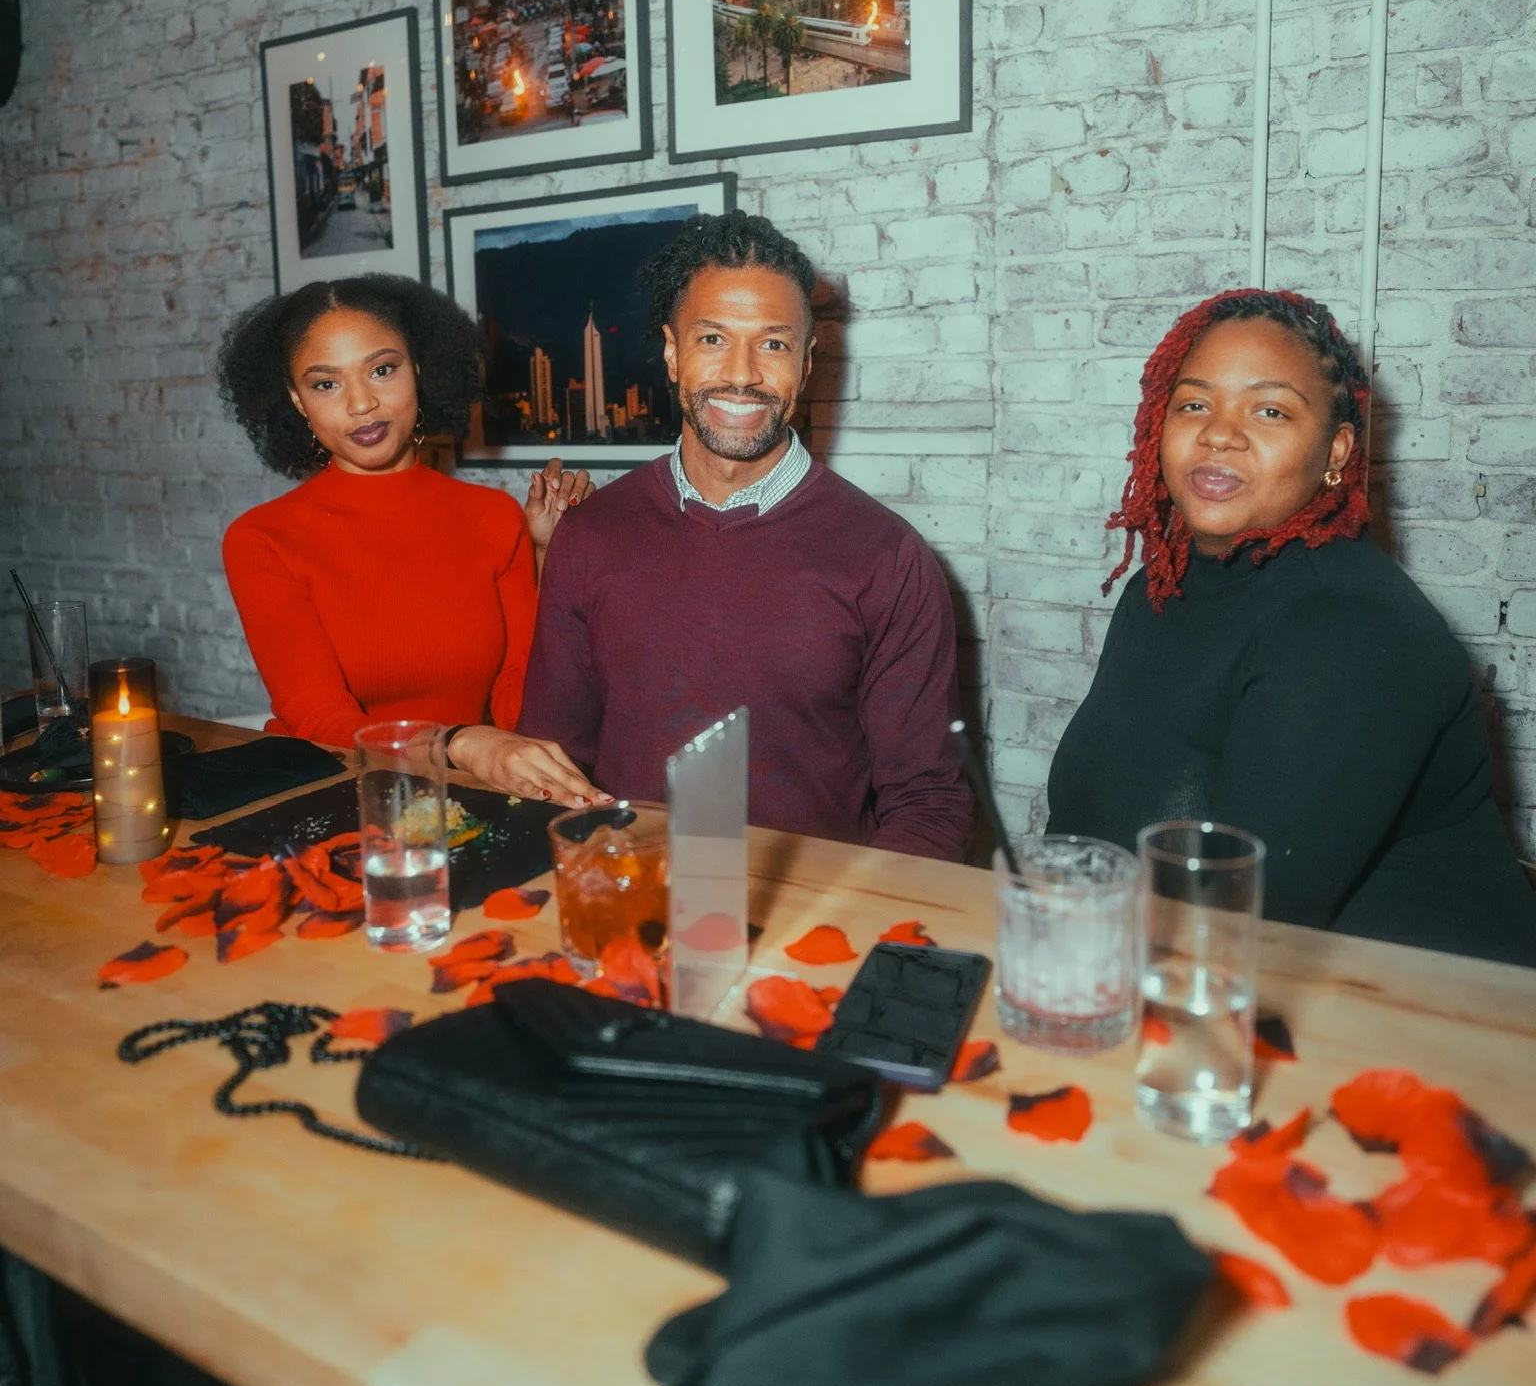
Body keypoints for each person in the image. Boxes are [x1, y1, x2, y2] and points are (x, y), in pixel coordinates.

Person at [1047, 288, 1534, 965]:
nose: (1220, 433)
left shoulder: (1352, 629)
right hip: (1170, 973)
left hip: (1422, 1006)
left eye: (1270, 410)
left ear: (1337, 451)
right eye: (1194, 405)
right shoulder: (1158, 589)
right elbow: (1087, 833)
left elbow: (1247, 919)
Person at [515, 212, 972, 857]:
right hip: (629, 892)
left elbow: (928, 803)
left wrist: (846, 914)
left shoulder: (888, 556)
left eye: (773, 345)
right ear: (671, 353)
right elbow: (549, 765)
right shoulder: (590, 534)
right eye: (712, 339)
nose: (742, 373)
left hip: (811, 908)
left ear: (806, 363)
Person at [218, 275, 596, 803]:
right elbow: (317, 717)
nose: (361, 403)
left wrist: (553, 560)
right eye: (326, 384)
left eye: (382, 370)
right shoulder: (262, 539)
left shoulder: (493, 516)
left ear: (418, 369)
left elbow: (523, 702)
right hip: (334, 793)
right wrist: (456, 744)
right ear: (297, 400)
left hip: (465, 791)